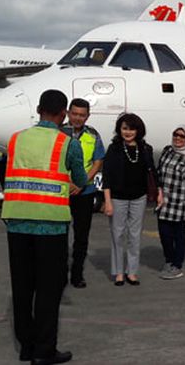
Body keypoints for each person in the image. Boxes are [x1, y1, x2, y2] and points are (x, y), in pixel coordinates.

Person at [1, 89, 87, 365]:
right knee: (49, 290)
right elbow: (81, 177)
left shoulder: (15, 140)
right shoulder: (67, 143)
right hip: (50, 223)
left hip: (16, 220)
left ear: (38, 109)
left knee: (22, 286)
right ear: (63, 113)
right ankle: (44, 350)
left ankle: (26, 346)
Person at [102, 113, 158, 286]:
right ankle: (118, 272)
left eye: (131, 128)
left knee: (135, 236)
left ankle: (132, 272)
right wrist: (108, 201)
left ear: (138, 130)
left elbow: (152, 172)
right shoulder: (114, 148)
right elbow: (107, 176)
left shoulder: (145, 148)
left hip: (138, 198)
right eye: (124, 128)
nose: (128, 132)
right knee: (117, 235)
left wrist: (159, 192)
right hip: (118, 198)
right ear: (119, 130)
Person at [61, 98, 105, 289]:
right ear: (68, 113)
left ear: (87, 116)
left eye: (82, 115)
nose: (78, 118)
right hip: (61, 191)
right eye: (75, 114)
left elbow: (98, 161)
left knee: (81, 236)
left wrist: (82, 181)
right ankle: (60, 273)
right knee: (59, 235)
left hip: (85, 191)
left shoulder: (93, 135)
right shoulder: (59, 133)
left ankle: (77, 274)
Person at [156, 124, 185, 279]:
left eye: (182, 136)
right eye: (176, 134)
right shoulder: (167, 151)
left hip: (180, 202)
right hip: (164, 201)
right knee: (164, 234)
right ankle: (169, 260)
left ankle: (177, 265)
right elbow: (159, 173)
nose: (178, 138)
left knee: (178, 235)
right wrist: (158, 190)